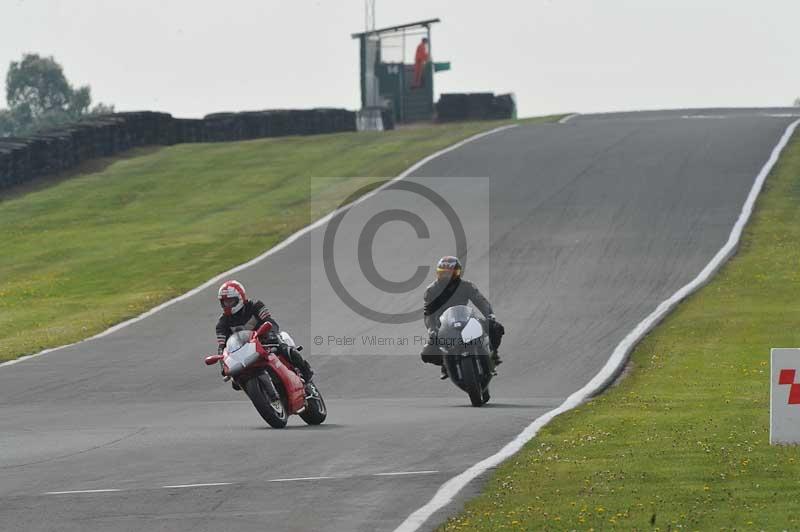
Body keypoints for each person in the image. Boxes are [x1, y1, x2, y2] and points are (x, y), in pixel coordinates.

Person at [215, 280, 314, 387]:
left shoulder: (255, 305)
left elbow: (270, 321)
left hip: (265, 340)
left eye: (230, 301)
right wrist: (223, 366)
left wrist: (271, 334)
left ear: (240, 298)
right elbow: (222, 347)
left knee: (286, 349)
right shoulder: (222, 323)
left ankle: (307, 374)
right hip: (243, 352)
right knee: (236, 382)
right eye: (225, 302)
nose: (228, 305)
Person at [420, 256, 504, 379]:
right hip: (443, 325)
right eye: (443, 274)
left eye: (450, 273)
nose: (447, 277)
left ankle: (492, 355)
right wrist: (431, 329)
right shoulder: (431, 290)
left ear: (458, 273)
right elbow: (428, 314)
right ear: (438, 273)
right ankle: (445, 363)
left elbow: (481, 301)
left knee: (496, 327)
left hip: (466, 319)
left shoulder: (466, 286)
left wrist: (490, 315)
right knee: (426, 354)